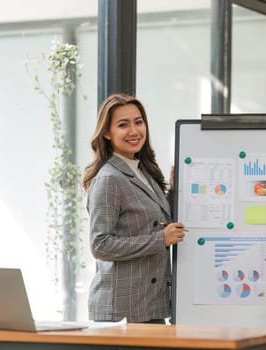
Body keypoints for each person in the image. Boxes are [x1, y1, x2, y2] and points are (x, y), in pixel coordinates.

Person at [82, 93, 186, 324]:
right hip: (121, 313)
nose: (134, 131)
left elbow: (153, 219)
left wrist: (173, 191)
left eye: (138, 122)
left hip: (150, 306)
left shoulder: (144, 172)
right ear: (107, 133)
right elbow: (100, 245)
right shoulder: (109, 179)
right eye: (123, 125)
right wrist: (160, 240)